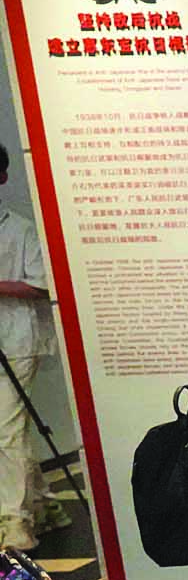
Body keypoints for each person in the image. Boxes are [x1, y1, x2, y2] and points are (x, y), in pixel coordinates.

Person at [0, 146, 65, 552]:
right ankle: (45, 503)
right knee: (12, 426)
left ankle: (15, 520)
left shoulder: (20, 229)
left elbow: (42, 285)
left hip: (18, 340)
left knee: (7, 429)